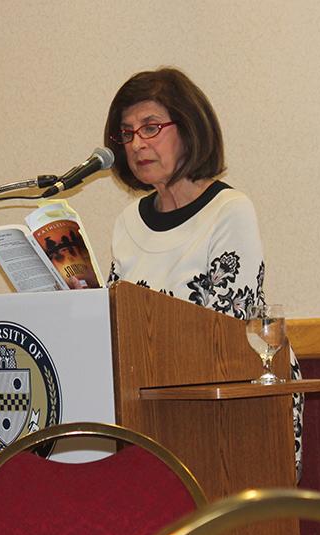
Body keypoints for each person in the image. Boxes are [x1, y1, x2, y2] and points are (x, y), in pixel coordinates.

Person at [103, 67, 304, 480]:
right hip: (149, 409)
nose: (137, 143)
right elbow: (116, 323)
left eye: (151, 127)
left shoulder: (229, 211)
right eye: (126, 133)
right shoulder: (127, 223)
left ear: (189, 128)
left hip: (235, 409)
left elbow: (229, 332)